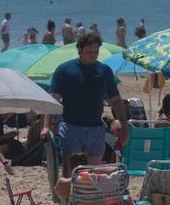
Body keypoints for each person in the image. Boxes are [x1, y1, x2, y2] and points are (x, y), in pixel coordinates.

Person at [45, 30, 128, 174]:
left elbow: (115, 100)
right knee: (71, 171)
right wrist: (46, 125)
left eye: (96, 51)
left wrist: (124, 125)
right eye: (89, 51)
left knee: (93, 173)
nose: (93, 55)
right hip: (71, 127)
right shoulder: (65, 70)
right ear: (80, 50)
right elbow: (53, 99)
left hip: (96, 129)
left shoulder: (104, 71)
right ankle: (68, 196)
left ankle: (88, 196)